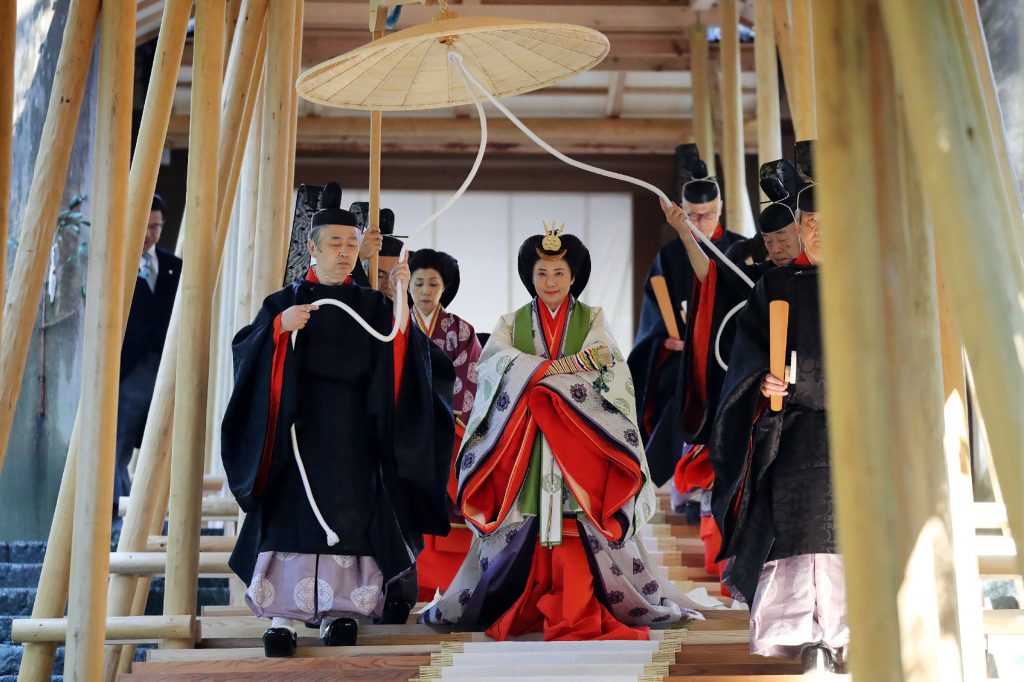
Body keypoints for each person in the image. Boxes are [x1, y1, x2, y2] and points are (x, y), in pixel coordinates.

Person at [419, 222, 705, 640]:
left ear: (574, 277)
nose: (550, 282)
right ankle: (523, 603)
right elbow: (493, 365)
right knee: (525, 526)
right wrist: (552, 372)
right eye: (541, 273)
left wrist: (544, 378)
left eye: (559, 273)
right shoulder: (511, 322)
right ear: (529, 278)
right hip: (525, 442)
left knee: (579, 525)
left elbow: (609, 365)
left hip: (579, 442)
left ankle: (579, 601)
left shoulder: (593, 319)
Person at [221, 182, 455, 657]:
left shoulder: (372, 304)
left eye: (352, 244)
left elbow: (407, 361)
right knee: (291, 519)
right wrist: (279, 333)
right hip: (297, 431)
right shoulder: (283, 303)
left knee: (351, 521)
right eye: (335, 243)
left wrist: (400, 301)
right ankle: (283, 618)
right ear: (312, 247)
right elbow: (247, 354)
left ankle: (343, 612)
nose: (345, 253)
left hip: (354, 433)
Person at [710, 182, 848, 672]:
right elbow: (746, 353)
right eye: (808, 223)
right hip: (793, 429)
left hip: (857, 433)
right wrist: (760, 381)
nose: (815, 232)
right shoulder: (776, 284)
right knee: (797, 526)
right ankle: (804, 635)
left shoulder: (867, 281)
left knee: (850, 530)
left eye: (826, 224)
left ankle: (850, 632)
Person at [657, 160, 803, 584]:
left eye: (784, 238)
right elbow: (711, 281)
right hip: (760, 408)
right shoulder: (755, 279)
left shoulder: (822, 281)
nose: (777, 249)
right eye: (770, 241)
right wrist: (685, 233)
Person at [628, 148, 743, 494]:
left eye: (708, 215)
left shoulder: (740, 251)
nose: (702, 223)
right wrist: (663, 341)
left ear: (720, 209)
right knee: (678, 385)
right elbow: (652, 319)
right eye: (693, 216)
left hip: (728, 355)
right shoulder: (670, 256)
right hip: (680, 356)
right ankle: (663, 475)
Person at [406, 248, 484, 600]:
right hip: (404, 435)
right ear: (406, 284)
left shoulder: (462, 331)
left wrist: (444, 416)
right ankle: (409, 584)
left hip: (448, 433)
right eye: (418, 282)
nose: (424, 290)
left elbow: (472, 379)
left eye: (432, 283)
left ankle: (452, 589)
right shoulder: (394, 324)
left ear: (445, 287)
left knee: (448, 506)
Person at [114, 195, 182, 515]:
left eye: (155, 227)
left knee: (165, 443)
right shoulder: (119, 264)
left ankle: (154, 513)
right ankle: (117, 511)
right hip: (128, 367)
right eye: (144, 227)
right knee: (119, 443)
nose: (149, 235)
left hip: (167, 365)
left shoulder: (174, 266)